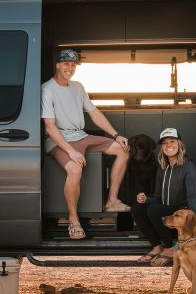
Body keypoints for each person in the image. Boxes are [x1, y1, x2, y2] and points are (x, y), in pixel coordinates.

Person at [41, 49, 131, 240]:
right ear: (57, 65)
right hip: (60, 140)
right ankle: (73, 221)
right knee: (74, 169)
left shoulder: (78, 87)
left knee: (122, 149)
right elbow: (50, 127)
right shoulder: (47, 90)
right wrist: (71, 151)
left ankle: (112, 201)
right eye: (66, 64)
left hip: (81, 136)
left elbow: (94, 113)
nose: (70, 68)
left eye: (73, 65)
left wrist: (115, 135)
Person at [131, 128, 196, 266]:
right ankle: (157, 246)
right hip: (166, 209)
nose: (169, 145)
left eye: (172, 141)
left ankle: (169, 248)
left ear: (179, 144)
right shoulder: (162, 168)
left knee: (154, 210)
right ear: (161, 147)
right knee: (137, 209)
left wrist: (194, 222)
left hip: (181, 210)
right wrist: (146, 200)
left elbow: (192, 196)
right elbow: (157, 197)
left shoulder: (188, 166)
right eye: (164, 143)